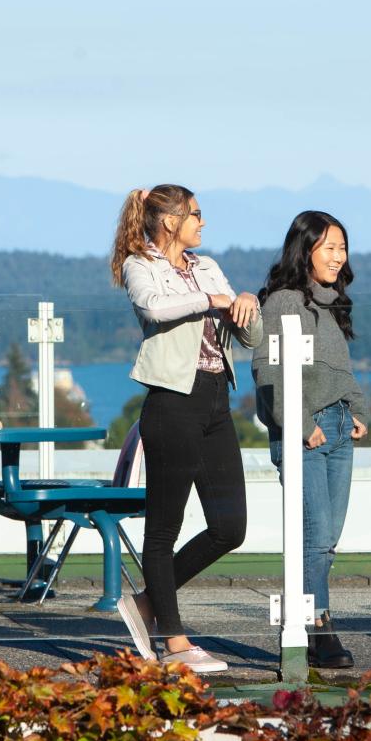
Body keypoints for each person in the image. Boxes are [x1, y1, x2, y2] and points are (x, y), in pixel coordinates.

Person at [110, 184, 263, 674]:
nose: (202, 223)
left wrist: (245, 304)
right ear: (169, 221)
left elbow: (246, 333)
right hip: (172, 401)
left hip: (217, 401)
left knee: (229, 527)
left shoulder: (207, 265)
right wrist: (212, 298)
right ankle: (174, 642)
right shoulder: (141, 265)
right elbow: (154, 309)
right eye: (195, 215)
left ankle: (146, 602)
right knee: (164, 528)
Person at [251, 211, 369, 669]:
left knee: (327, 538)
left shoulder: (331, 301)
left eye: (342, 248)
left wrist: (356, 410)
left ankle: (311, 620)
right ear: (306, 250)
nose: (339, 258)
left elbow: (340, 370)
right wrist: (299, 423)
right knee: (314, 536)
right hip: (307, 432)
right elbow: (270, 369)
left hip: (337, 427)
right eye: (329, 248)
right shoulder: (283, 302)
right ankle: (315, 628)